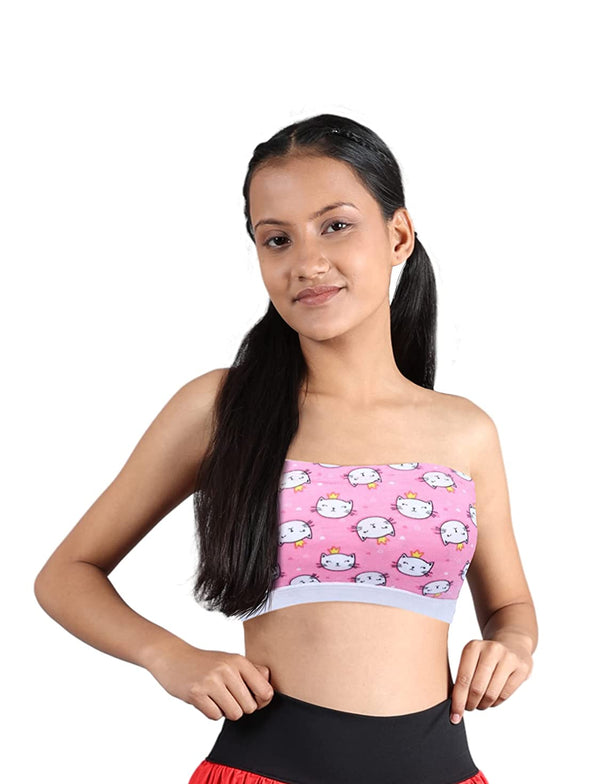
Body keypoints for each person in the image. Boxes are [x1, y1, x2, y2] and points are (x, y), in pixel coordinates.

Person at [34, 113, 537, 784]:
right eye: (277, 239)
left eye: (336, 226)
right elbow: (66, 574)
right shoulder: (223, 408)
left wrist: (512, 645)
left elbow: (509, 607)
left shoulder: (465, 431)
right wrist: (168, 656)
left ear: (398, 235)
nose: (307, 263)